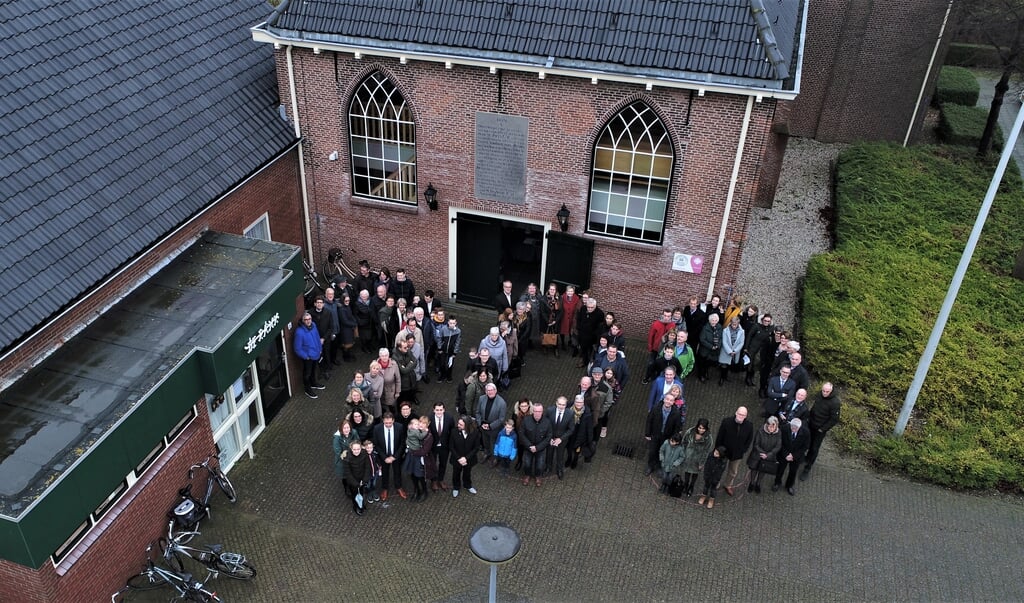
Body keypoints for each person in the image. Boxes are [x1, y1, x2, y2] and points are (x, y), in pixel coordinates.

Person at [802, 382, 841, 481]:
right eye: (823, 390)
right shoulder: (819, 395)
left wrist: (822, 429)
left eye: (827, 391)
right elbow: (815, 407)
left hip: (820, 429)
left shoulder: (835, 402)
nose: (824, 393)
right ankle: (806, 458)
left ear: (831, 391)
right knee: (807, 443)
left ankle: (807, 468)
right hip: (811, 423)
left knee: (815, 448)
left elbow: (834, 419)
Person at [714, 406, 754, 496]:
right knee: (719, 468)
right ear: (736, 413)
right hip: (724, 452)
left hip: (737, 454)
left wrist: (743, 450)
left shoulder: (749, 426)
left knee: (733, 472)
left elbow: (749, 439)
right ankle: (716, 483)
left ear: (746, 416)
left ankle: (728, 485)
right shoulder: (726, 422)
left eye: (743, 415)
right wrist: (717, 449)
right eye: (739, 414)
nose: (741, 416)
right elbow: (720, 437)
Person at [644, 393, 682, 476]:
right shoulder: (655, 408)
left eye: (671, 400)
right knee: (652, 451)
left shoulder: (676, 413)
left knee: (662, 452)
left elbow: (677, 427)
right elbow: (649, 421)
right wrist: (647, 433)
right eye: (667, 399)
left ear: (673, 402)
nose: (668, 401)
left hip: (666, 437)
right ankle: (650, 465)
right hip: (655, 434)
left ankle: (659, 467)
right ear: (664, 399)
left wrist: (672, 439)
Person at [371, 412, 407, 501]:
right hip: (384, 455)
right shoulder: (377, 428)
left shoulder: (400, 427)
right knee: (385, 472)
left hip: (396, 455)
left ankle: (399, 487)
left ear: (393, 420)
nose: (388, 425)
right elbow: (376, 444)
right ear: (383, 420)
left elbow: (402, 443)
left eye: (390, 423)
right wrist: (384, 457)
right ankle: (385, 488)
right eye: (386, 423)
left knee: (397, 471)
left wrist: (395, 456)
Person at [519, 401, 552, 487]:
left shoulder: (547, 422)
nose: (537, 413)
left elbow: (548, 437)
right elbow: (521, 434)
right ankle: (527, 475)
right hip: (528, 448)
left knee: (540, 464)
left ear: (542, 411)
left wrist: (537, 447)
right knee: (527, 463)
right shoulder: (526, 420)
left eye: (539, 411)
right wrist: (529, 446)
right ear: (533, 411)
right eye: (536, 411)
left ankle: (538, 476)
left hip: (540, 449)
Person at [774, 417, 810, 495]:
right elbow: (780, 442)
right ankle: (777, 483)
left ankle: (789, 486)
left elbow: (805, 446)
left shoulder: (806, 432)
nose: (793, 429)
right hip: (784, 454)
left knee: (793, 472)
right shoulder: (784, 429)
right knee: (780, 469)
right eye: (792, 427)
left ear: (799, 427)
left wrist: (793, 455)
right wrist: (786, 454)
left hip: (796, 456)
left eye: (796, 428)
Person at [679, 418, 714, 497]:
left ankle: (691, 486)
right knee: (687, 472)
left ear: (706, 428)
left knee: (695, 473)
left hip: (698, 459)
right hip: (688, 456)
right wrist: (683, 454)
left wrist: (702, 463)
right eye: (699, 428)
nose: (701, 430)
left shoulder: (708, 438)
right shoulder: (690, 432)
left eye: (703, 428)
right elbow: (684, 442)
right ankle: (686, 485)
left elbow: (706, 452)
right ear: (697, 426)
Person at [747, 417, 782, 494]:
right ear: (767, 424)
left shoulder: (779, 433)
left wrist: (768, 455)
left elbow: (778, 446)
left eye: (774, 426)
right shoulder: (760, 431)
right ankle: (752, 483)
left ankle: (758, 484)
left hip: (768, 457)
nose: (771, 428)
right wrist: (762, 453)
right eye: (770, 426)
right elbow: (756, 444)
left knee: (763, 470)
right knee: (754, 470)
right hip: (757, 455)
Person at [294, 311, 324, 398]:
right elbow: (297, 348)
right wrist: (305, 356)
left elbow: (317, 338)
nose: (308, 321)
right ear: (303, 321)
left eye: (309, 319)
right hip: (308, 357)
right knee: (307, 373)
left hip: (316, 353)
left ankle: (313, 383)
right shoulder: (299, 332)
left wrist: (320, 349)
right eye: (306, 319)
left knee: (314, 370)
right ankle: (308, 389)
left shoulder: (313, 325)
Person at [404, 417, 435, 502]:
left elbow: (424, 451)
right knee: (412, 475)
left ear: (427, 424)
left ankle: (424, 491)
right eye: (420, 422)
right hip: (412, 457)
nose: (421, 424)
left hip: (420, 458)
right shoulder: (416, 430)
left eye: (424, 423)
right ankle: (416, 490)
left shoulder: (429, 436)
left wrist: (412, 451)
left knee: (421, 476)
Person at [449, 416, 481, 497]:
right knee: (456, 473)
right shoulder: (454, 431)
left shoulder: (475, 432)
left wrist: (466, 458)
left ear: (467, 425)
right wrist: (459, 458)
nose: (458, 425)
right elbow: (451, 446)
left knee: (467, 473)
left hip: (469, 459)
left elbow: (476, 448)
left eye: (461, 424)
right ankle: (456, 487)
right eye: (458, 423)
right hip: (457, 459)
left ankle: (467, 485)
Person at [545, 396, 576, 480]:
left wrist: (561, 439)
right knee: (549, 453)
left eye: (563, 405)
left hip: (562, 439)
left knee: (560, 455)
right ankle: (548, 467)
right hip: (550, 437)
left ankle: (559, 470)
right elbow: (546, 425)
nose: (561, 406)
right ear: (556, 403)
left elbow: (571, 429)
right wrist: (549, 437)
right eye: (559, 404)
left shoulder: (570, 414)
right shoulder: (549, 411)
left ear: (566, 405)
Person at [475, 383, 507, 463]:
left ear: (495, 391)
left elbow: (501, 419)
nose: (490, 392)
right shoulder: (481, 399)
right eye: (488, 390)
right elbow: (477, 412)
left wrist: (490, 426)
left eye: (492, 390)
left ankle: (495, 458)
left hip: (494, 428)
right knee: (485, 442)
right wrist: (480, 423)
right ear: (485, 391)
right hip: (483, 426)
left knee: (494, 444)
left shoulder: (502, 403)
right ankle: (487, 453)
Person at [644, 309, 676, 384]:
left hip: (665, 349)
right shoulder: (656, 324)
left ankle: (657, 377)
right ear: (662, 315)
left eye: (668, 316)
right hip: (655, 348)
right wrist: (650, 347)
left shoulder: (672, 325)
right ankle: (647, 377)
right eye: (665, 315)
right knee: (651, 364)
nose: (666, 318)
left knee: (661, 365)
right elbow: (651, 336)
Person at [342, 440, 372, 516]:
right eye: (354, 449)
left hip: (362, 479)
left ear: (361, 449)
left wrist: (364, 480)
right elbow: (348, 473)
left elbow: (367, 467)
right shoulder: (347, 458)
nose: (356, 451)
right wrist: (355, 483)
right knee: (354, 494)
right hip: (353, 481)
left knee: (361, 492)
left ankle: (361, 504)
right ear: (351, 449)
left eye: (358, 449)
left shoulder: (364, 454)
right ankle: (356, 506)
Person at [429, 402, 454, 491]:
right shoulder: (429, 418)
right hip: (433, 446)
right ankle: (434, 481)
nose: (439, 412)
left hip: (445, 446)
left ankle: (441, 479)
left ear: (444, 410)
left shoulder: (449, 418)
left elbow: (452, 431)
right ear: (433, 410)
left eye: (441, 410)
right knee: (433, 464)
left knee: (443, 463)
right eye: (437, 410)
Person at [310, 296, 337, 380]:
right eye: (317, 302)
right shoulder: (311, 313)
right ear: (315, 304)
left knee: (326, 354)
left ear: (323, 304)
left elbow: (331, 327)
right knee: (318, 356)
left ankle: (327, 371)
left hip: (326, 339)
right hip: (315, 340)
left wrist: (324, 338)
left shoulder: (328, 312)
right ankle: (320, 372)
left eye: (321, 303)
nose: (319, 304)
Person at [565, 393, 594, 469]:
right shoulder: (568, 409)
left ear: (583, 402)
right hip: (570, 435)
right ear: (574, 402)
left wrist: (589, 441)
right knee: (569, 449)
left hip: (580, 436)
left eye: (580, 402)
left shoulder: (587, 413)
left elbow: (589, 429)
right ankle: (569, 459)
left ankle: (575, 460)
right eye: (577, 402)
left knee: (577, 451)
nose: (578, 404)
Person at [718, 315, 745, 385]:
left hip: (735, 352)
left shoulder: (742, 331)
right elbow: (724, 342)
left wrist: (735, 351)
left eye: (735, 324)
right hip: (726, 351)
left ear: (738, 324)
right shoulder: (725, 330)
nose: (734, 326)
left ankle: (726, 376)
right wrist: (729, 351)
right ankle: (722, 378)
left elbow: (741, 343)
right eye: (733, 324)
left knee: (730, 364)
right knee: (724, 365)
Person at [393, 335, 419, 405]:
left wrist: (406, 366)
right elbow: (403, 371)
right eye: (405, 348)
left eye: (407, 347)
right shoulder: (395, 357)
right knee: (405, 395)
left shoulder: (408, 351)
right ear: (399, 348)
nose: (407, 348)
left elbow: (415, 361)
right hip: (403, 380)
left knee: (413, 389)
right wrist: (411, 363)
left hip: (412, 376)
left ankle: (413, 398)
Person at [435, 314, 462, 383]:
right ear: (448, 322)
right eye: (450, 323)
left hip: (451, 351)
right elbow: (439, 338)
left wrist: (455, 352)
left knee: (450, 364)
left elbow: (457, 342)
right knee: (442, 364)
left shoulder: (458, 331)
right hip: (443, 350)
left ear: (456, 323)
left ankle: (449, 376)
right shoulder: (443, 329)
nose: (452, 325)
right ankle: (442, 376)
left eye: (453, 323)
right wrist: (439, 348)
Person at [697, 312, 723, 382]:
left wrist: (718, 345)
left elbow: (721, 338)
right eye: (712, 320)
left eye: (715, 320)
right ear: (709, 320)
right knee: (702, 364)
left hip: (714, 351)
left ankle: (706, 373)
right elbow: (702, 339)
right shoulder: (705, 328)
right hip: (705, 350)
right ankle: (701, 375)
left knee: (708, 364)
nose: (714, 322)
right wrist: (711, 346)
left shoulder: (720, 327)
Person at [376, 348, 401, 415]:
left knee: (393, 408)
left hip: (391, 393)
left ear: (388, 355)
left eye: (386, 355)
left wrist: (397, 392)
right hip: (381, 393)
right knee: (384, 409)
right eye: (382, 355)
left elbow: (398, 379)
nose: (384, 357)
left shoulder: (394, 365)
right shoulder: (375, 365)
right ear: (380, 356)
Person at [559, 285, 581, 352]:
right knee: (562, 331)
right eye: (568, 291)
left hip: (572, 318)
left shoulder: (577, 298)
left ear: (574, 291)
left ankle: (570, 341)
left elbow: (577, 308)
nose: (570, 293)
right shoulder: (562, 297)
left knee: (571, 331)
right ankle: (562, 343)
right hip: (564, 318)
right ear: (566, 291)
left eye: (571, 291)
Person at [337, 293, 358, 362]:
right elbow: (344, 321)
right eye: (346, 301)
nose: (347, 302)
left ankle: (349, 355)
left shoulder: (347, 306)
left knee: (350, 343)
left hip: (349, 328)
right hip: (345, 330)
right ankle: (346, 357)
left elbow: (351, 315)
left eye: (348, 301)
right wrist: (354, 324)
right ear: (342, 300)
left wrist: (354, 321)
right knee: (346, 344)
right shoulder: (341, 309)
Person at [362, 439, 383, 504]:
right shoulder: (363, 456)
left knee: (373, 483)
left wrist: (379, 467)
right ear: (364, 448)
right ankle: (369, 494)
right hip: (367, 475)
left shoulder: (374, 453)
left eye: (371, 447)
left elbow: (378, 461)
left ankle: (373, 492)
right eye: (367, 448)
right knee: (368, 485)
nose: (369, 449)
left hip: (375, 472)